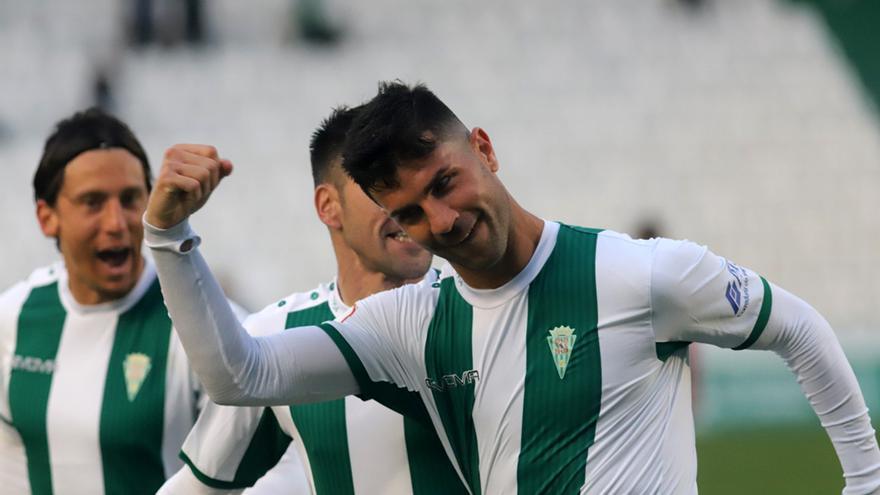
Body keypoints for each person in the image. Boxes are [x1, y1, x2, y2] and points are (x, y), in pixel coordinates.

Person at [142, 82, 880, 494]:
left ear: (485, 149)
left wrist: (864, 477)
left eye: (445, 182)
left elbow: (796, 324)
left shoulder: (636, 273)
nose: (442, 218)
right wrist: (170, 240)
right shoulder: (414, 324)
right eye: (408, 211)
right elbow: (239, 373)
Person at [158, 107, 466, 494]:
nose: (407, 204)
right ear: (328, 206)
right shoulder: (273, 338)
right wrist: (166, 234)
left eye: (418, 185)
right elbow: (198, 488)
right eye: (381, 185)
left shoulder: (474, 314)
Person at [0, 108, 245, 495]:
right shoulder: (11, 321)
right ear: (47, 218)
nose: (116, 222)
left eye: (131, 199)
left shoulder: (208, 327)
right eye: (93, 202)